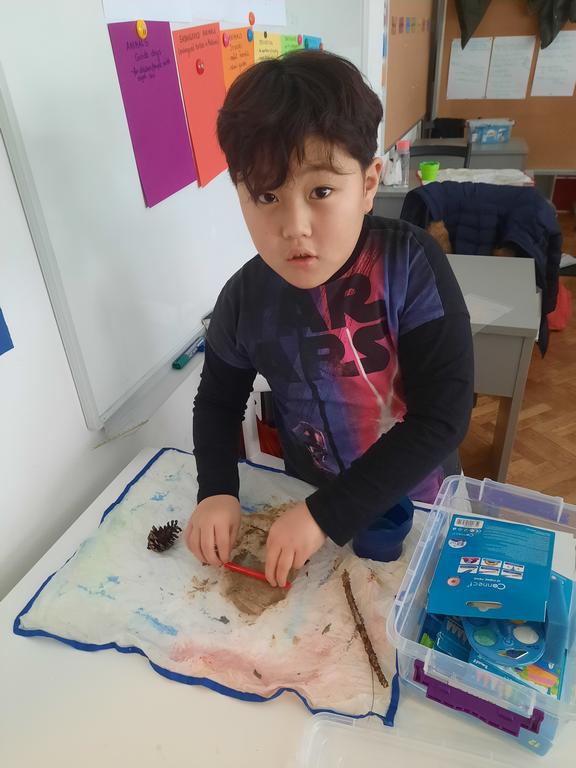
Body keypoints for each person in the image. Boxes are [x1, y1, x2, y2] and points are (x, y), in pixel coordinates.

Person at [185, 50, 474, 587]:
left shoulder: (409, 263)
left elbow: (443, 416)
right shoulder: (244, 298)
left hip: (418, 507)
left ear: (368, 184)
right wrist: (217, 489)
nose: (294, 226)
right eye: (266, 196)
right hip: (308, 506)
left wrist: (325, 514)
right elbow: (218, 403)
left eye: (320, 191)